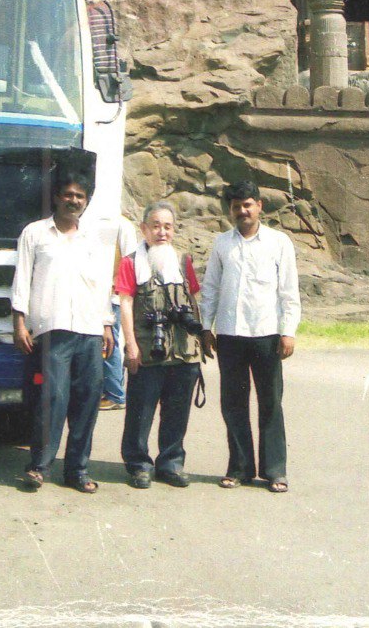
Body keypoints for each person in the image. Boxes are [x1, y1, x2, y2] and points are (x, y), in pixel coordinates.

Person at [10, 161, 115, 493]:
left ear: (86, 201)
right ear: (56, 197)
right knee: (52, 398)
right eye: (68, 195)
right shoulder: (35, 233)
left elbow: (101, 285)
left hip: (90, 329)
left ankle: (77, 471)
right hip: (52, 328)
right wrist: (19, 322)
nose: (74, 201)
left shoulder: (94, 239)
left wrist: (107, 324)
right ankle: (39, 466)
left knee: (87, 401)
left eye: (80, 196)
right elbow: (22, 279)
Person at [199, 180, 300, 493]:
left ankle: (275, 471)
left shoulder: (279, 242)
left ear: (259, 206)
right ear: (230, 211)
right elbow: (211, 287)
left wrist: (288, 331)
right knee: (233, 404)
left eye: (247, 205)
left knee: (271, 403)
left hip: (266, 334)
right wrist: (205, 327)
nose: (242, 211)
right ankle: (239, 468)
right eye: (236, 207)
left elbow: (289, 291)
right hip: (230, 335)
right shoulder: (222, 244)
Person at [115, 201, 209, 489]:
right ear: (144, 229)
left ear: (174, 230)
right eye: (155, 226)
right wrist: (130, 345)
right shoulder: (130, 262)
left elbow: (193, 299)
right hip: (147, 351)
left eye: (167, 227)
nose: (162, 232)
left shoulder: (183, 261)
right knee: (140, 412)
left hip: (183, 351)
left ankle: (171, 463)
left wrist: (202, 336)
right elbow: (125, 304)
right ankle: (139, 465)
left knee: (177, 412)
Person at [100, 216, 139, 411]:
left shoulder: (122, 225)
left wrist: (121, 288)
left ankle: (115, 394)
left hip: (114, 294)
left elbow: (129, 259)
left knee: (110, 343)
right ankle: (111, 390)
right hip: (103, 293)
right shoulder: (99, 222)